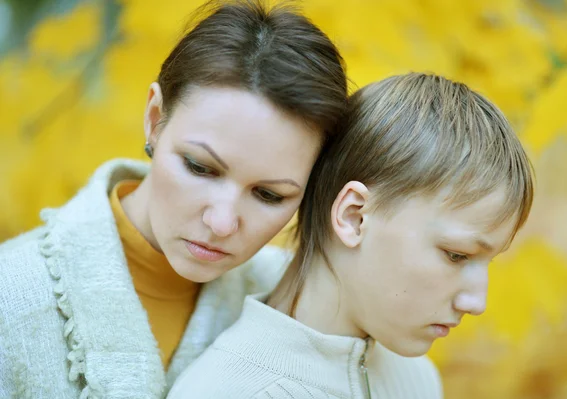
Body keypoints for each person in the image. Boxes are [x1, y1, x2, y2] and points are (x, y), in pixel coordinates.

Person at [0, 1, 348, 397]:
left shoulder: (296, 308)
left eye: (269, 195)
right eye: (200, 168)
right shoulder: (12, 298)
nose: (221, 223)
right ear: (154, 118)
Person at [167, 72, 535, 398]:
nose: (477, 301)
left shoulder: (416, 379)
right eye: (457, 254)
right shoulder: (233, 389)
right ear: (354, 216)